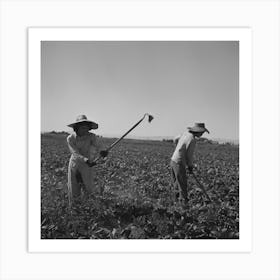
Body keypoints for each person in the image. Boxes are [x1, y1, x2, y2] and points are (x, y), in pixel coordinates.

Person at [67, 115, 108, 205]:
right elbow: (75, 153)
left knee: (88, 186)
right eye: (82, 128)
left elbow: (99, 145)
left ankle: (89, 207)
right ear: (76, 128)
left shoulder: (91, 137)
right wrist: (85, 160)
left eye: (86, 128)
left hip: (87, 165)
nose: (84, 130)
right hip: (75, 163)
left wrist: (103, 151)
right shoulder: (70, 138)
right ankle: (74, 209)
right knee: (74, 187)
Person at [170, 123, 210, 204]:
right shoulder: (192, 139)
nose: (202, 134)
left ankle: (174, 202)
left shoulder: (185, 134)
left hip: (173, 160)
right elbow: (189, 155)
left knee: (176, 184)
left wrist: (178, 148)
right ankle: (184, 206)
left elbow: (175, 138)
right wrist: (190, 166)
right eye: (201, 132)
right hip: (179, 163)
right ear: (197, 131)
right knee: (182, 185)